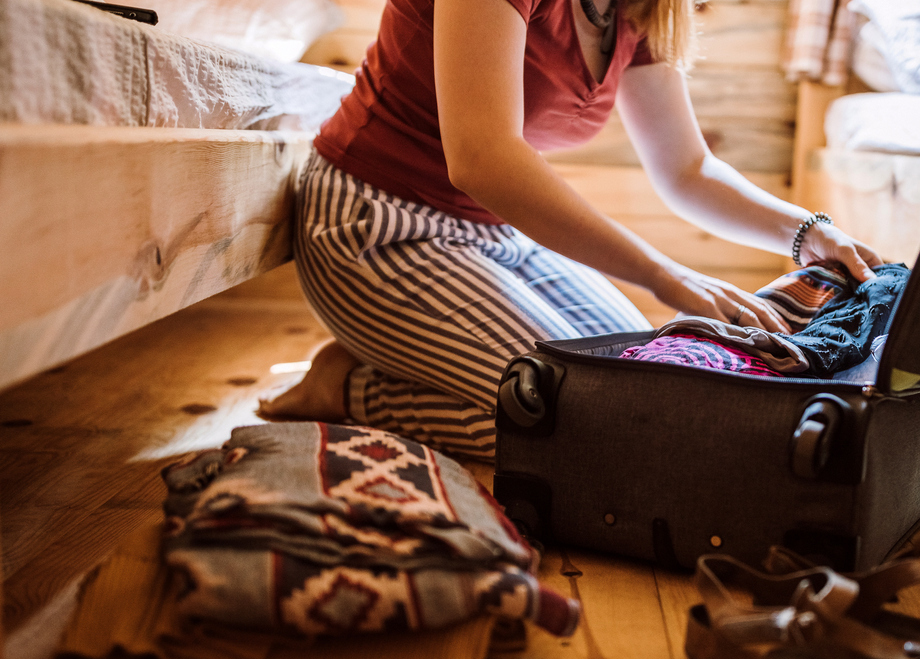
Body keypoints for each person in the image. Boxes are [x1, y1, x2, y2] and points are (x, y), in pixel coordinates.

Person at [260, 0, 883, 459]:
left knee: (652, 390)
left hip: (495, 236)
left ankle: (405, 355)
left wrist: (809, 231)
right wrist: (665, 274)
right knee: (586, 430)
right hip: (373, 222)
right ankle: (349, 388)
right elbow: (481, 157)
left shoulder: (642, 10)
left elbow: (689, 169)